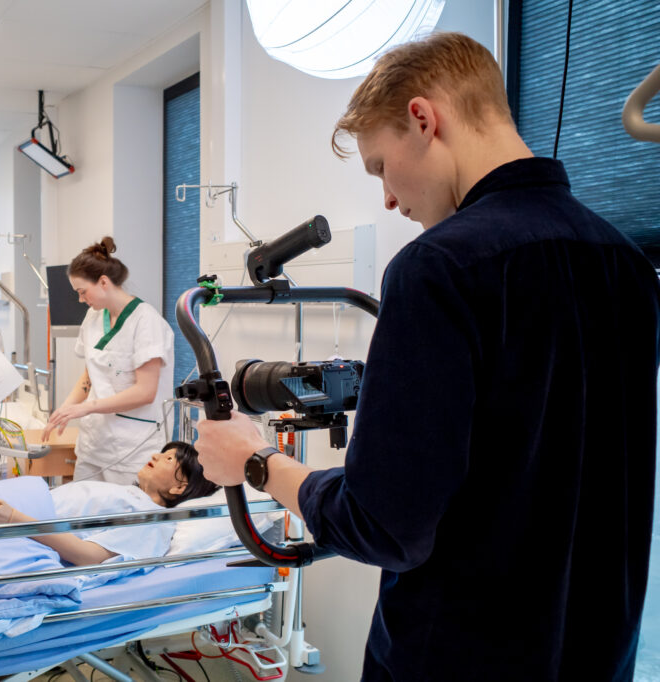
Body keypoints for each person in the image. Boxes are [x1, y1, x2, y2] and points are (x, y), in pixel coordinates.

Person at [194, 32, 660, 681]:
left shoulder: (438, 269)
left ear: (423, 119)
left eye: (380, 167)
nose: (388, 198)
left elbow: (384, 526)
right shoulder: (629, 267)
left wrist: (256, 461)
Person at [44, 237, 175, 484]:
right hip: (94, 442)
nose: (81, 299)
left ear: (103, 282)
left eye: (82, 292)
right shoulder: (92, 318)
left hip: (133, 446)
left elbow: (145, 392)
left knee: (123, 507)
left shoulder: (146, 322)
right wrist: (64, 410)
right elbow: (89, 376)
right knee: (83, 504)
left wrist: (86, 407)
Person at [0, 441, 216, 565]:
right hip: (18, 511)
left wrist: (15, 520)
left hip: (17, 529)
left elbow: (92, 556)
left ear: (179, 487)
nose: (155, 456)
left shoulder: (155, 521)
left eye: (169, 459)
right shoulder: (130, 495)